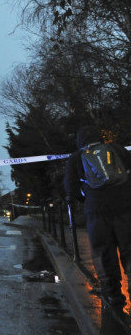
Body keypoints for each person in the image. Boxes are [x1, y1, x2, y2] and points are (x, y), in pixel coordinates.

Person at [64, 125, 131, 307]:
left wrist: (87, 200)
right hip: (126, 207)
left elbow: (71, 190)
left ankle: (113, 295)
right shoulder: (118, 150)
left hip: (96, 211)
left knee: (103, 252)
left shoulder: (76, 158)